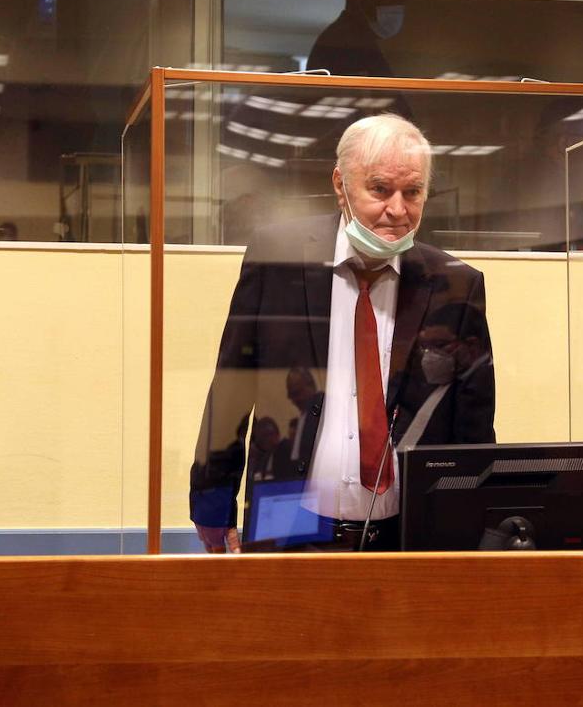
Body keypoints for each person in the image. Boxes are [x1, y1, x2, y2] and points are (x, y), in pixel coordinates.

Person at [190, 114, 495, 552]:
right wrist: (212, 502)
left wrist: (473, 529)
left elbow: (473, 426)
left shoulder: (456, 284)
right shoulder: (278, 259)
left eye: (412, 192)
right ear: (341, 185)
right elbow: (232, 387)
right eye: (379, 189)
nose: (398, 210)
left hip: (409, 533)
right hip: (290, 514)